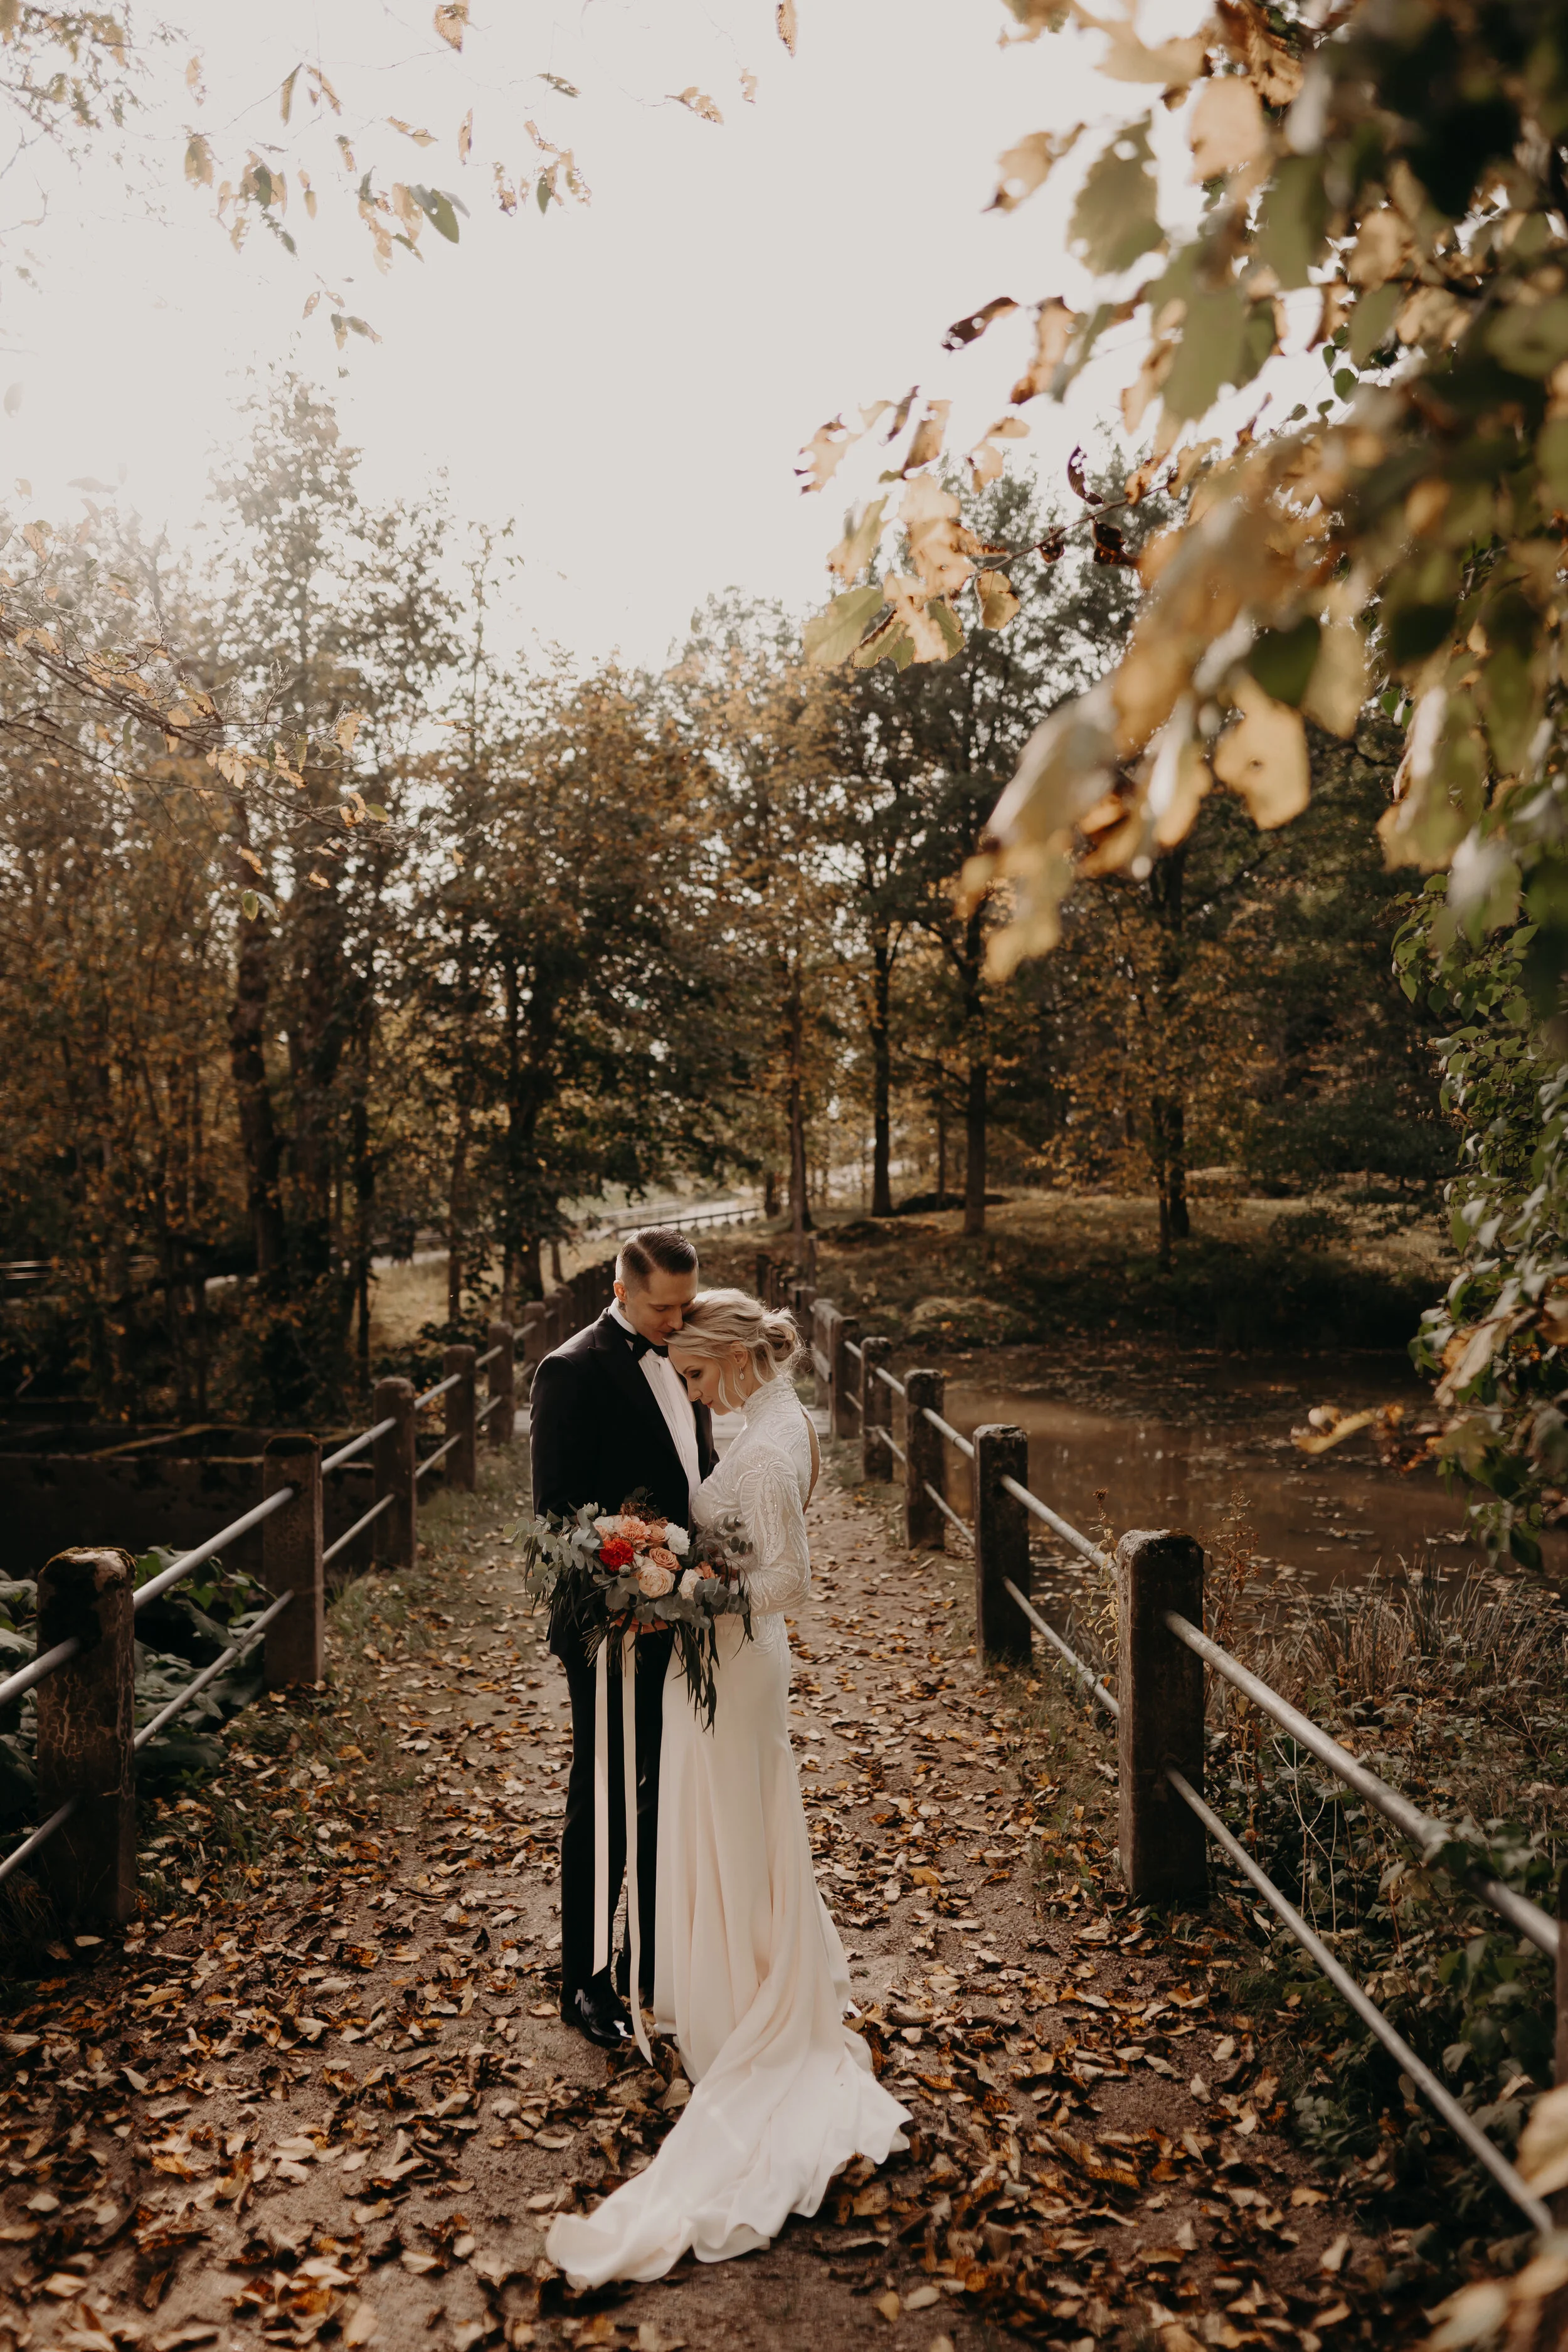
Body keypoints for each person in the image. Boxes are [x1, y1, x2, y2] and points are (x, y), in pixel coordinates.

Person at [545, 1288, 908, 2284]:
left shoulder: (768, 1449)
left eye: (699, 1376)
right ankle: (735, 1976)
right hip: (729, 1653)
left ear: (735, 1359)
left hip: (737, 1657)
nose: (696, 1394)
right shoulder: (770, 1420)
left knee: (732, 1820)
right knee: (722, 1817)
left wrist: (687, 1590)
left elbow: (790, 1580)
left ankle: (747, 1998)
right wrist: (671, 1555)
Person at [528, 1226, 716, 2051]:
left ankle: (644, 1959)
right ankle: (584, 1979)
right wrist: (633, 1566)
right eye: (662, 1308)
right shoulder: (571, 1371)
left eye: (686, 1304)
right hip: (610, 1625)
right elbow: (555, 1518)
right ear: (620, 1292)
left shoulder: (685, 1354)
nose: (678, 1321)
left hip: (683, 1617)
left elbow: (695, 1470)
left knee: (664, 1790)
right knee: (602, 1796)